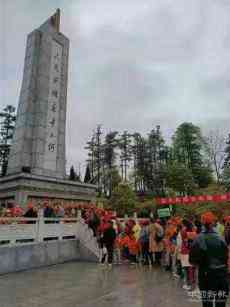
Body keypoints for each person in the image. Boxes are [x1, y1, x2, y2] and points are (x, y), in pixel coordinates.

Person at [189, 212, 229, 307]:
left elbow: (192, 261)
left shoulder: (198, 239)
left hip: (206, 275)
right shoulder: (220, 238)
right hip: (221, 275)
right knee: (221, 302)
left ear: (203, 223)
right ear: (213, 223)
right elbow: (226, 257)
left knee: (207, 302)